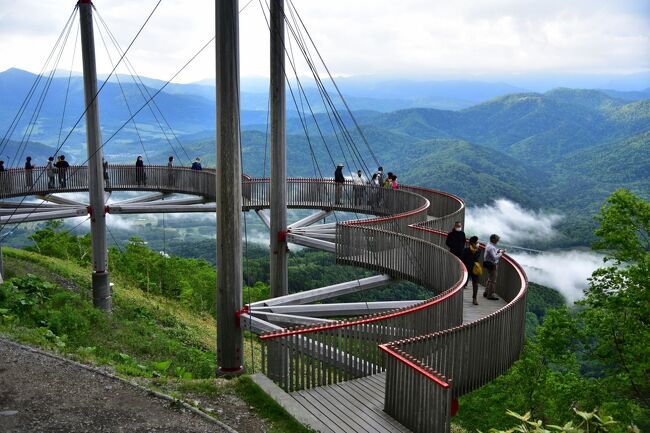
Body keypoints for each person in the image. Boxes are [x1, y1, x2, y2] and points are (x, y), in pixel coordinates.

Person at [483, 234, 505, 300]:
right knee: (493, 280)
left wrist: (498, 251)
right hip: (492, 264)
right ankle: (490, 294)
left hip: (488, 263)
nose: (497, 241)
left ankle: (486, 292)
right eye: (497, 240)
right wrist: (501, 253)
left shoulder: (489, 245)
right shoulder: (491, 247)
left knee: (490, 279)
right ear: (493, 239)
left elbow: (494, 251)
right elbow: (495, 257)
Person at [461, 236, 482, 305]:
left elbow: (476, 258)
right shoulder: (466, 250)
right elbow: (462, 259)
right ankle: (460, 297)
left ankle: (474, 298)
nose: (478, 244)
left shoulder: (479, 250)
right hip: (466, 269)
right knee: (463, 283)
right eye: (477, 242)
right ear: (472, 243)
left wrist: (475, 251)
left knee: (475, 283)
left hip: (475, 269)